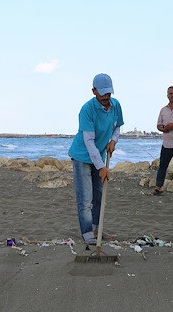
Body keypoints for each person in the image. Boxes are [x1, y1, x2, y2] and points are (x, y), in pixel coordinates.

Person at [68, 73, 123, 245]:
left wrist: (113, 141)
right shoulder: (87, 110)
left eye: (109, 93)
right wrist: (101, 167)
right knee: (85, 199)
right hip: (82, 157)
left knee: (99, 196)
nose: (106, 96)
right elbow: (89, 142)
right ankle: (87, 234)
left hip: (99, 154)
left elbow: (118, 126)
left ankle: (97, 230)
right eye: (103, 93)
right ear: (94, 91)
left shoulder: (116, 105)